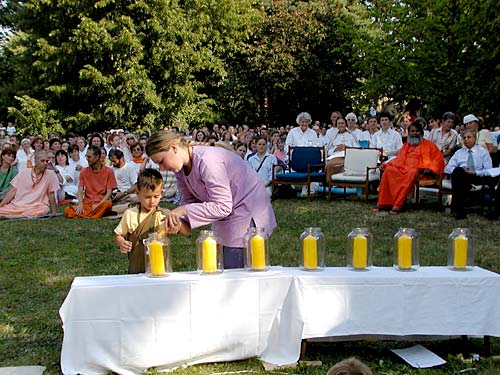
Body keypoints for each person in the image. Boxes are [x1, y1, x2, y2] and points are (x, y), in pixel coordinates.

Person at [146, 131, 277, 269]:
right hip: (227, 215)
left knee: (237, 271)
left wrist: (183, 210)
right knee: (221, 265)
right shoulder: (180, 170)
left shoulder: (208, 161)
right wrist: (179, 223)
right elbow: (189, 203)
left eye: (161, 161)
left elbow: (222, 207)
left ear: (174, 148)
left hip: (248, 212)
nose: (162, 168)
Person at [114, 168, 188, 274]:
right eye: (147, 197)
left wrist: (177, 225)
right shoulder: (130, 214)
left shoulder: (164, 214)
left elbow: (185, 230)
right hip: (136, 269)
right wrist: (122, 242)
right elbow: (118, 234)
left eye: (156, 196)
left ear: (161, 194)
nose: (152, 201)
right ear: (137, 193)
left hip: (159, 268)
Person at [373, 118, 445, 214]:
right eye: (412, 131)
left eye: (417, 131)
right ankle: (383, 203)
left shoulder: (430, 145)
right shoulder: (406, 145)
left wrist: (430, 169)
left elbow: (438, 160)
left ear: (421, 132)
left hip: (420, 172)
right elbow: (398, 159)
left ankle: (398, 205)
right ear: (409, 132)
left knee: (411, 172)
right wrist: (386, 164)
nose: (415, 133)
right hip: (403, 168)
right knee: (389, 170)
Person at [444, 129, 493, 220]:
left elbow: (489, 170)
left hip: (477, 177)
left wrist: (475, 172)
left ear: (475, 138)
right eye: (464, 138)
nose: (466, 139)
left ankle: (457, 207)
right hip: (461, 177)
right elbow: (448, 168)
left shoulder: (483, 152)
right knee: (458, 170)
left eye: (469, 137)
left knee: (459, 174)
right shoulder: (459, 153)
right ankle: (460, 209)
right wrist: (461, 169)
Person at [0, 151, 59, 218]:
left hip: (37, 206)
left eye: (47, 161)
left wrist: (53, 212)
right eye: (42, 161)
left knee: (45, 209)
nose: (45, 163)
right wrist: (1, 205)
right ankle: (16, 215)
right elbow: (12, 191)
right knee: (3, 209)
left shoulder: (50, 174)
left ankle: (13, 216)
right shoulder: (24, 173)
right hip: (18, 205)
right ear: (35, 161)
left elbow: (51, 194)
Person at [64, 145, 117, 219]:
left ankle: (92, 215)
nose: (87, 159)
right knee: (67, 210)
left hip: (101, 202)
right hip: (88, 204)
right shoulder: (84, 172)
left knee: (108, 204)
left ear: (97, 157)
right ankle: (95, 214)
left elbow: (109, 193)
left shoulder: (109, 171)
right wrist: (80, 203)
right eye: (86, 156)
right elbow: (80, 190)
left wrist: (98, 204)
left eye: (89, 157)